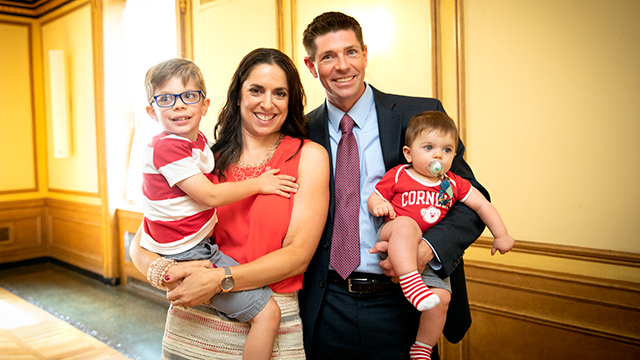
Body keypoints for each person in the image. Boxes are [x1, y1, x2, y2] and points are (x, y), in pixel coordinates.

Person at [299, 11, 489, 360]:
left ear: (366, 54)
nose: (342, 65)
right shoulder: (302, 131)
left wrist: (424, 251)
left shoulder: (418, 115)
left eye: (351, 52)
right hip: (327, 305)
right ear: (312, 67)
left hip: (405, 302)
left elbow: (469, 200)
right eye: (328, 56)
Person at [129, 48, 330, 359]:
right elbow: (144, 240)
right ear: (238, 96)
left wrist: (220, 279)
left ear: (291, 102)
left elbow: (297, 256)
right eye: (256, 90)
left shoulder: (308, 156)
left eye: (280, 93)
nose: (267, 103)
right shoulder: (205, 158)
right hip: (194, 322)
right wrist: (165, 273)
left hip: (271, 316)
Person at [368, 111, 515, 359]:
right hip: (394, 238)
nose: (438, 155)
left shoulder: (452, 183)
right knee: (406, 224)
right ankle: (409, 281)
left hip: (428, 259)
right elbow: (376, 196)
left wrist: (501, 235)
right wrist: (378, 206)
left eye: (447, 150)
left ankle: (422, 346)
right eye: (428, 147)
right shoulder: (400, 174)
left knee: (441, 298)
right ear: (408, 153)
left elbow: (482, 206)